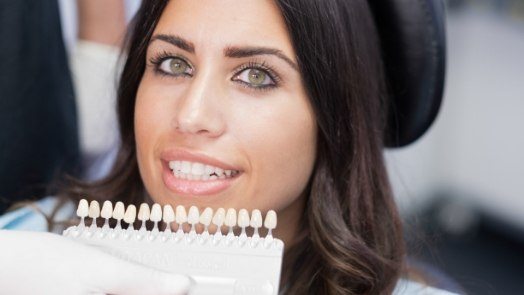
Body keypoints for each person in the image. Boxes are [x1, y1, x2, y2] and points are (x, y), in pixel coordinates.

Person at [0, 0, 457, 294]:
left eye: (255, 75)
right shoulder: (29, 245)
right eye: (173, 63)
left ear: (335, 117)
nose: (190, 116)